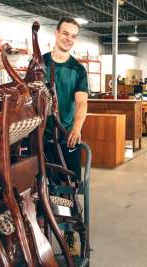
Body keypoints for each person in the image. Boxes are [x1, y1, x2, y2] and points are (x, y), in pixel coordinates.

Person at [43, 17, 88, 254]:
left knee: (65, 192)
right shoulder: (38, 65)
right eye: (66, 33)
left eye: (73, 35)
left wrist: (76, 128)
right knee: (36, 190)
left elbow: (81, 103)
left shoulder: (77, 70)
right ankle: (40, 240)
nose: (69, 39)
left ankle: (69, 242)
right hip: (39, 139)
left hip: (66, 139)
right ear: (56, 33)